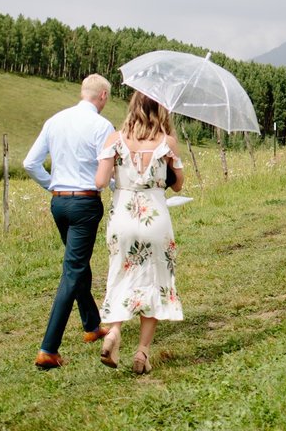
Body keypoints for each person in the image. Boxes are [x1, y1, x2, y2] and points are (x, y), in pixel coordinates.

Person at [23, 74, 115, 370]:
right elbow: (109, 172)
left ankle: (92, 324)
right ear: (102, 96)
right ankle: (48, 348)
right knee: (73, 271)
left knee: (77, 264)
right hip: (85, 202)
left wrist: (53, 185)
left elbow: (29, 163)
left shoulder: (55, 120)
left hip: (59, 202)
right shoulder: (102, 126)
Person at [94, 91, 185, 374]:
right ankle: (142, 352)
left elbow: (99, 181)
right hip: (155, 217)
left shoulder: (115, 139)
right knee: (156, 279)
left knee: (121, 273)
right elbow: (179, 185)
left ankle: (114, 331)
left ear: (133, 107)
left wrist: (121, 173)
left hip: (123, 216)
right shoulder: (167, 143)